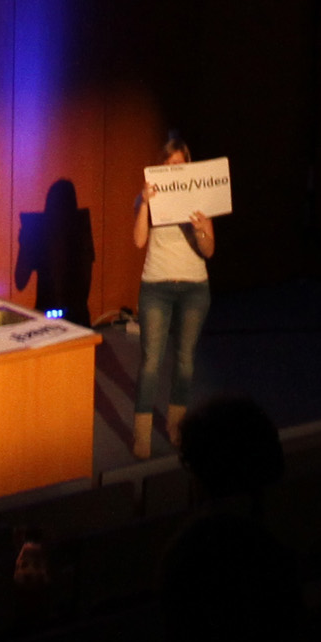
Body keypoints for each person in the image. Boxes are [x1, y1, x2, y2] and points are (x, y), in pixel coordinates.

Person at [129, 128, 217, 458]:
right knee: (151, 361)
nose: (173, 171)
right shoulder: (146, 198)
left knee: (185, 360)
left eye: (179, 165)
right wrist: (144, 204)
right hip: (156, 286)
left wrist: (201, 230)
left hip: (194, 287)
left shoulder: (200, 199)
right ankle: (141, 435)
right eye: (167, 166)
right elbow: (139, 241)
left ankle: (176, 426)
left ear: (188, 167)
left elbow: (209, 250)